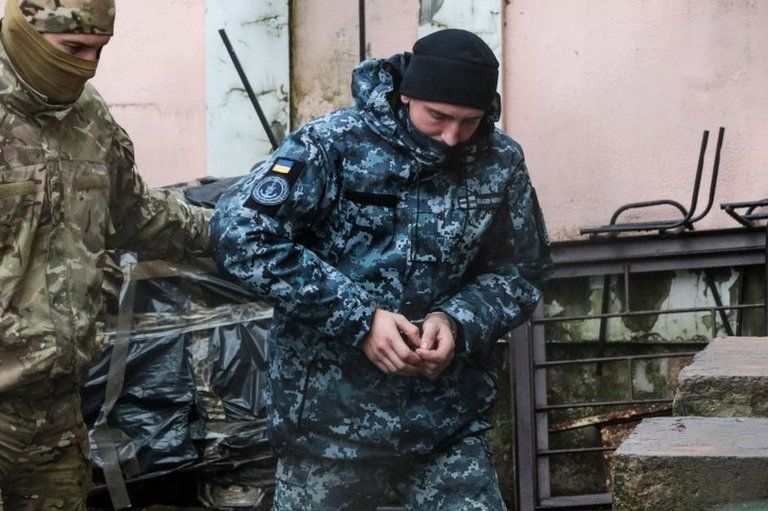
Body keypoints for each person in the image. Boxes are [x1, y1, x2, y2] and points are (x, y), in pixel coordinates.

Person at [212, 28, 552, 510]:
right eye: (438, 117)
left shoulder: (498, 161)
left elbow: (522, 269)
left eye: (469, 121)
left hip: (444, 421)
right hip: (329, 428)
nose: (452, 136)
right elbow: (239, 234)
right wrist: (360, 319)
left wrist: (456, 321)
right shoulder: (331, 145)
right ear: (407, 93)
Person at [0, 1, 211, 509]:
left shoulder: (87, 115)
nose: (87, 65)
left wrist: (232, 229)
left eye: (99, 50)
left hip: (53, 413)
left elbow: (135, 211)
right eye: (73, 48)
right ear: (25, 31)